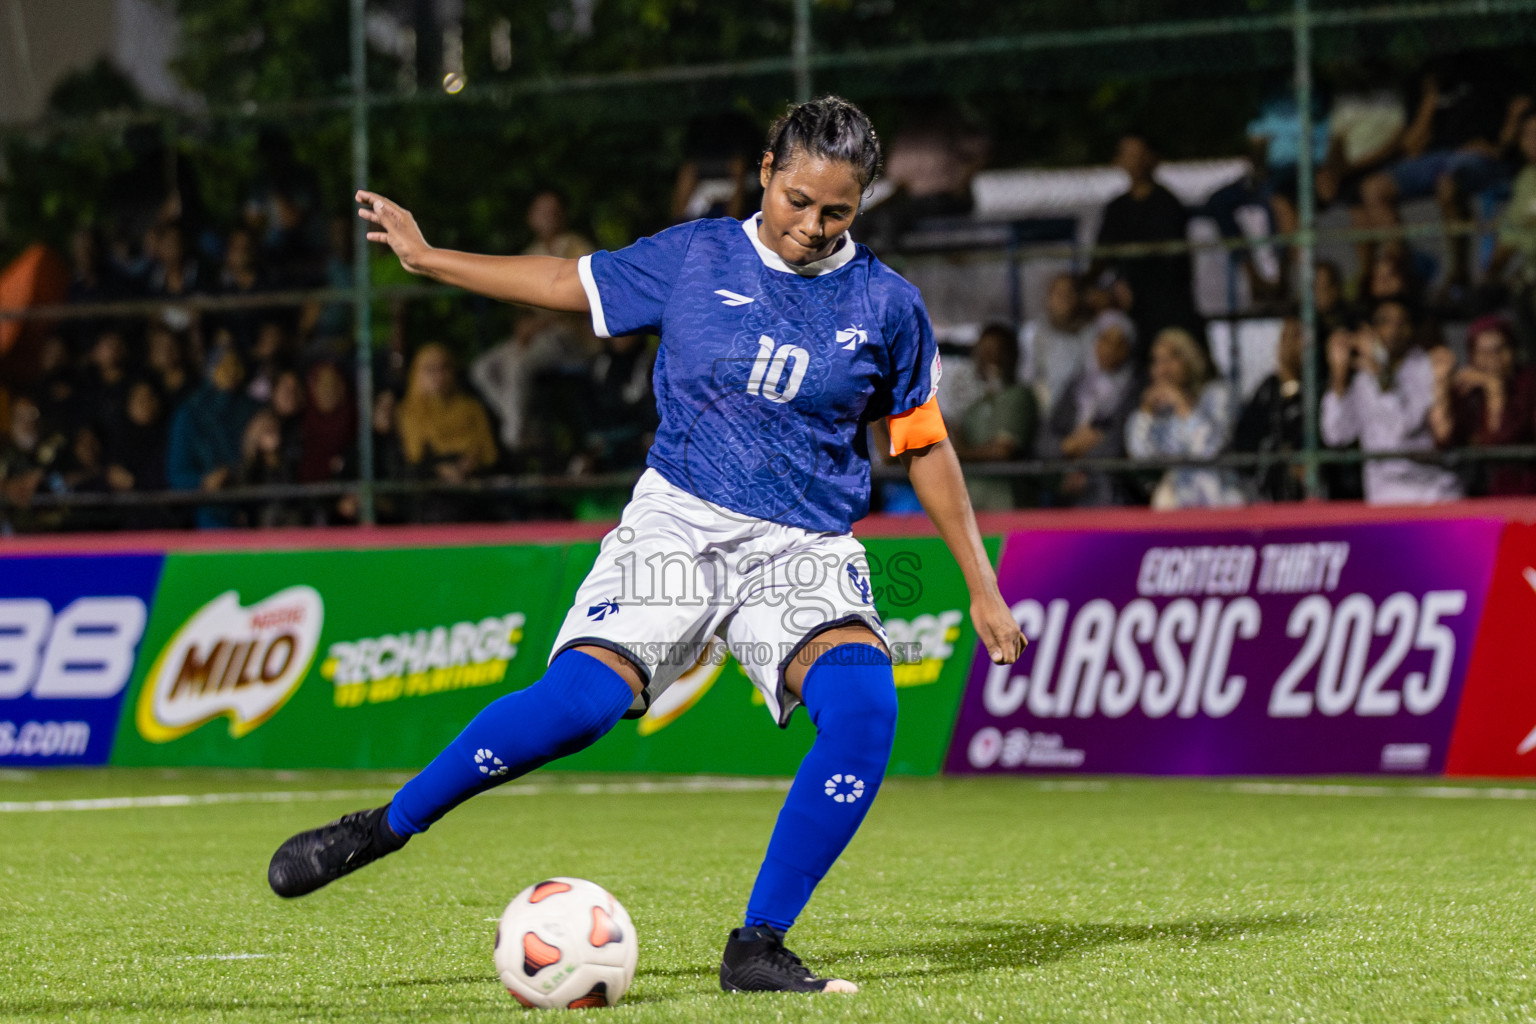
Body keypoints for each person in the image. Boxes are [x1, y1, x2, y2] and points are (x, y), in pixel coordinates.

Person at [267, 96, 1026, 995]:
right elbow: (561, 282)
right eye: (797, 200)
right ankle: (386, 826)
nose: (812, 226)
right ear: (765, 171)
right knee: (579, 706)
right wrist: (428, 258)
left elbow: (924, 443)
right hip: (681, 523)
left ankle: (758, 945)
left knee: (865, 712)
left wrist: (981, 583)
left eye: (837, 211)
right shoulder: (696, 254)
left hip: (804, 545)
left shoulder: (888, 305)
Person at [1321, 298, 1460, 504]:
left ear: (1412, 330)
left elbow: (1403, 426)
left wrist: (1381, 374)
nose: (1394, 330)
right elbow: (1336, 436)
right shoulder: (1362, 379)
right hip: (1384, 496)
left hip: (1433, 492)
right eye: (1385, 322)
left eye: (1401, 323)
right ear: (1370, 330)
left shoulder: (1427, 368)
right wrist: (1339, 374)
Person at [1090, 133, 1201, 355]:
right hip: (1125, 302)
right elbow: (1100, 259)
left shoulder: (1168, 204)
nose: (1135, 161)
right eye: (1128, 155)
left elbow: (1173, 265)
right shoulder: (1116, 208)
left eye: (1140, 154)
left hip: (1163, 303)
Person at [1126, 327, 1243, 509]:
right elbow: (1141, 454)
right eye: (1157, 361)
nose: (1162, 369)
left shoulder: (1217, 394)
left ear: (1190, 360)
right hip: (1177, 505)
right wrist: (1145, 413)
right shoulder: (1160, 409)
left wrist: (1182, 404)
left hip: (1220, 501)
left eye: (1170, 359)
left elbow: (1208, 448)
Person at [1430, 315, 1536, 495]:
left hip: (1524, 494)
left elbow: (1500, 443)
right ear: (1472, 356)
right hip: (1478, 495)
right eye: (1484, 352)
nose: (1493, 359)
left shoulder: (1528, 384)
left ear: (1514, 351)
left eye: (1500, 349)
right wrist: (1441, 384)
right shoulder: (1469, 390)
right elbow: (1444, 438)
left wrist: (1495, 390)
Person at [1044, 310, 1140, 507]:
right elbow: (1043, 440)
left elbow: (1122, 442)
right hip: (1065, 489)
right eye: (1104, 340)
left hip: (1114, 493)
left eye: (1119, 343)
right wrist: (1067, 446)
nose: (1110, 349)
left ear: (1129, 348)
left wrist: (1082, 463)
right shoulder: (1077, 385)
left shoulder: (1137, 388)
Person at [165, 341, 259, 529]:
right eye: (223, 364)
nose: (230, 370)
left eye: (235, 364)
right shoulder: (190, 414)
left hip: (253, 507)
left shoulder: (254, 410)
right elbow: (177, 474)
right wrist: (204, 482)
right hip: (209, 514)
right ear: (210, 369)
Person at [953, 323, 1037, 511]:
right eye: (982, 352)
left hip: (1008, 508)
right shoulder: (974, 405)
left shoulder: (1019, 396)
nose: (989, 359)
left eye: (996, 352)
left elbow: (1003, 451)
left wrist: (962, 454)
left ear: (1012, 356)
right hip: (974, 508)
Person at [1233, 317, 1307, 502]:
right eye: (1284, 337)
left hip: (1308, 494)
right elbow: (1244, 439)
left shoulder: (1319, 386)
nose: (1288, 345)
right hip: (1267, 492)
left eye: (1296, 336)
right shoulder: (1268, 388)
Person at [1020, 272, 1090, 417]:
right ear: (1049, 298)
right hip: (1043, 414)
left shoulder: (1089, 333)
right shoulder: (1034, 333)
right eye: (1058, 293)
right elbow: (1028, 378)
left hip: (1079, 410)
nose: (1063, 299)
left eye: (1069, 293)